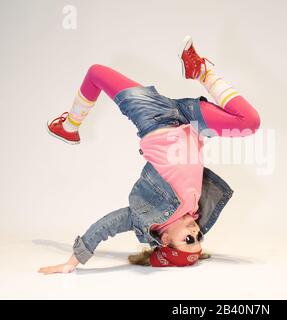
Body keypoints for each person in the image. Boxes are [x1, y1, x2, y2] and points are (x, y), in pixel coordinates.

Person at [39, 35, 260, 274]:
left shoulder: (141, 217)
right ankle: (200, 71)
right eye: (199, 237)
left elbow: (103, 228)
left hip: (155, 118)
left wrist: (72, 262)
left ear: (165, 241)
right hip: (191, 120)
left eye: (189, 240)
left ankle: (69, 127)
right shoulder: (194, 210)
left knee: (96, 73)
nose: (196, 231)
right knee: (250, 122)